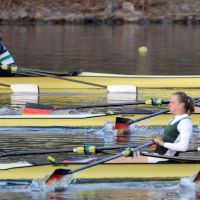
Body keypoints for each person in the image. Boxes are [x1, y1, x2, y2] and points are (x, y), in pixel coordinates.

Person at [108, 92, 194, 163]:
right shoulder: (172, 120)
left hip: (164, 159)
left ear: (181, 105)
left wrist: (162, 143)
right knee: (119, 156)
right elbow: (170, 139)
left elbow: (183, 147)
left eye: (172, 102)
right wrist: (159, 144)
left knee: (118, 160)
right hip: (157, 155)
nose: (169, 105)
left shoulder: (185, 122)